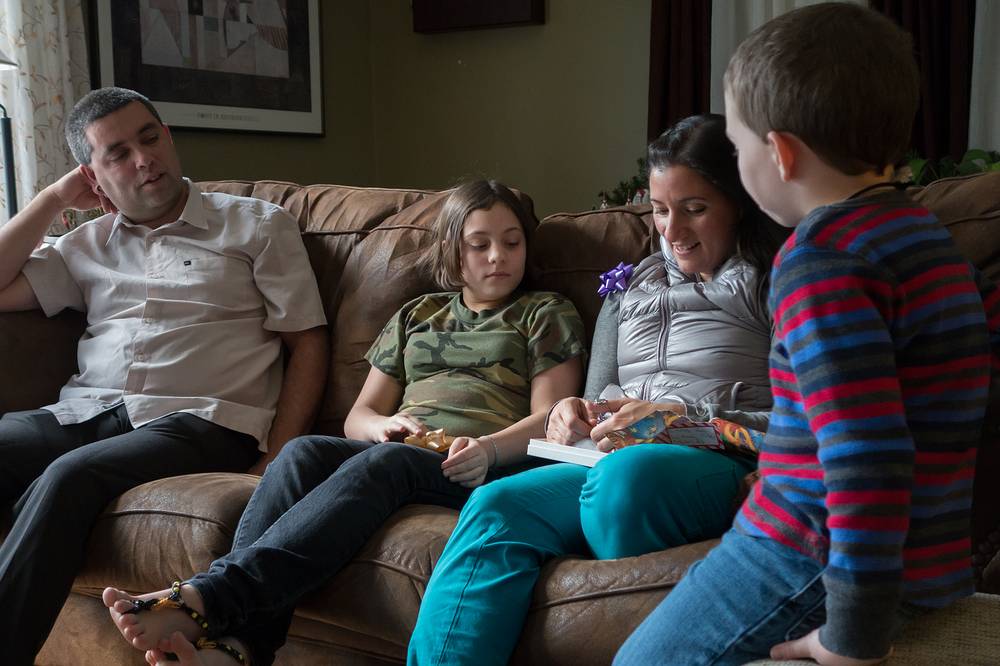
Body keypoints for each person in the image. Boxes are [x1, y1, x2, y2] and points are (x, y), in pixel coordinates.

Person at [614, 4, 1000, 666]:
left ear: (781, 153)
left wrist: (851, 636)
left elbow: (866, 457)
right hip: (926, 555)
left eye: (737, 150)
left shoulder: (823, 260)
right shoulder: (924, 240)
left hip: (802, 555)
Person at [103, 179, 588, 666]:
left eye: (511, 242)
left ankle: (211, 596)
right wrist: (381, 426)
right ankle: (238, 648)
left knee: (388, 462)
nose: (497, 257)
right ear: (451, 252)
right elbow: (359, 416)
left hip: (478, 462)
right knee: (302, 451)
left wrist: (486, 449)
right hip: (405, 447)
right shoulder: (417, 316)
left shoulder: (544, 312)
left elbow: (549, 419)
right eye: (478, 245)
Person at [407, 114, 789, 665]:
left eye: (695, 209)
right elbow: (592, 396)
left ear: (740, 201)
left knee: (622, 482)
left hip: (710, 457)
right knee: (495, 503)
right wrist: (570, 412)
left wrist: (676, 418)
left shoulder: (776, 280)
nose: (673, 231)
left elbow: (800, 422)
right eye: (660, 211)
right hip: (605, 460)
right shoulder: (627, 286)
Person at [0, 87, 328, 665]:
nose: (143, 159)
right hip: (88, 411)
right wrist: (53, 199)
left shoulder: (255, 226)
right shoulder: (85, 244)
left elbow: (307, 343)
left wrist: (278, 453)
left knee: (67, 479)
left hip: (200, 419)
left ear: (168, 138)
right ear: (93, 176)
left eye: (149, 138)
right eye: (117, 153)